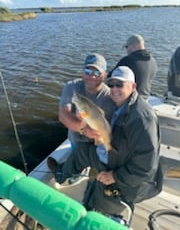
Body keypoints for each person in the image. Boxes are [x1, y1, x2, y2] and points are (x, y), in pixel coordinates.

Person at [48, 66, 162, 219]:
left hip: (125, 178)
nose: (114, 89)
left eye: (119, 84)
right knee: (82, 151)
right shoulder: (119, 104)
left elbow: (145, 167)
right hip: (111, 155)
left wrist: (115, 176)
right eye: (112, 84)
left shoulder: (142, 118)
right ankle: (61, 174)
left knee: (98, 204)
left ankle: (101, 213)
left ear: (133, 86)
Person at [58, 52, 115, 150]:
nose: (92, 77)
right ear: (82, 71)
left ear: (104, 75)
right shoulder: (72, 86)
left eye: (97, 73)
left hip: (97, 144)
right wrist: (84, 129)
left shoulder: (109, 96)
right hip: (76, 141)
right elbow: (63, 115)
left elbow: (107, 125)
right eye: (88, 71)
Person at [108, 34, 158, 99]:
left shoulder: (128, 60)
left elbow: (110, 78)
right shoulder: (153, 61)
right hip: (145, 98)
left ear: (133, 46)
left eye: (127, 47)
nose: (127, 50)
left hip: (130, 100)